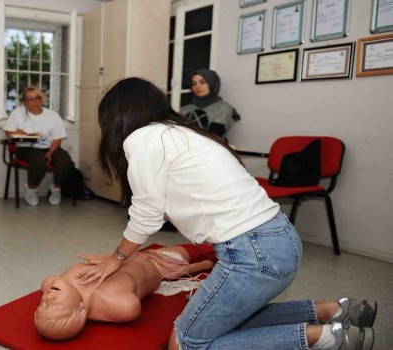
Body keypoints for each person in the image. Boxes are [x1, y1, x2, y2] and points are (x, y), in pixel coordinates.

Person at [75, 77, 376, 350]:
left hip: (254, 253)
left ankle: (324, 338)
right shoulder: (181, 133)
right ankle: (331, 312)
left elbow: (147, 214)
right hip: (280, 241)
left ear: (115, 118)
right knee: (224, 319)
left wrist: (116, 258)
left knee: (187, 343)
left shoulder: (141, 139)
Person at [35, 243, 216, 341]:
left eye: (43, 304)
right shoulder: (120, 305)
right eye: (56, 307)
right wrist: (128, 260)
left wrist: (114, 259)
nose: (49, 297)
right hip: (156, 263)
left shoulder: (51, 284)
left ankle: (204, 261)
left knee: (206, 245)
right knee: (205, 248)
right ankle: (202, 264)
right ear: (81, 310)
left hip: (125, 256)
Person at [3, 86, 72, 206]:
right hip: (26, 148)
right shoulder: (18, 113)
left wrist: (50, 152)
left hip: (50, 147)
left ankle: (56, 188)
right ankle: (32, 188)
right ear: (24, 102)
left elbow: (57, 138)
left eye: (37, 98)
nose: (34, 101)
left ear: (42, 100)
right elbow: (8, 133)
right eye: (29, 98)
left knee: (64, 160)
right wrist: (18, 132)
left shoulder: (52, 115)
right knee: (38, 161)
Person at [178, 69, 240, 139]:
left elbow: (214, 135)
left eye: (202, 82)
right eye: (194, 84)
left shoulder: (226, 109)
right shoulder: (184, 109)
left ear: (212, 83)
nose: (197, 86)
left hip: (213, 147)